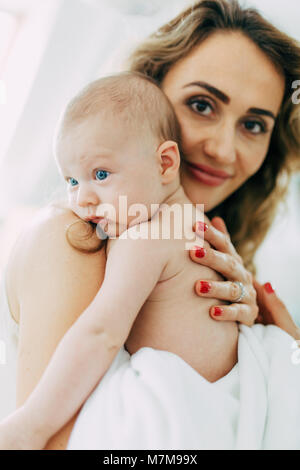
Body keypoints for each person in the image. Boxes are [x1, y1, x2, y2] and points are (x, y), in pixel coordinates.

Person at [1, 0, 299, 450]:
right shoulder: (73, 240)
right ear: (146, 92)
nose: (222, 147)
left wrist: (279, 346)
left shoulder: (206, 250)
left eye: (254, 124)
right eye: (201, 104)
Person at [0, 71, 239, 449]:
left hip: (180, 415)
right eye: (72, 181)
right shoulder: (197, 224)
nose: (82, 200)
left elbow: (100, 334)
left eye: (100, 174)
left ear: (164, 164)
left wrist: (32, 425)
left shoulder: (145, 237)